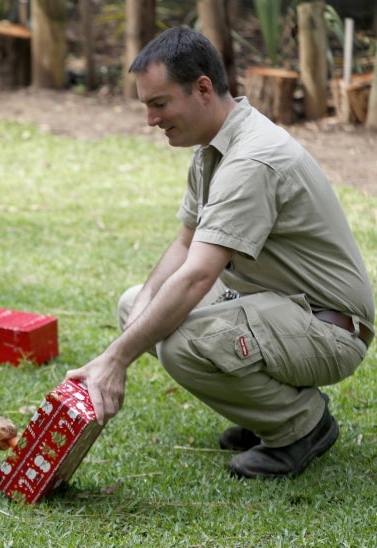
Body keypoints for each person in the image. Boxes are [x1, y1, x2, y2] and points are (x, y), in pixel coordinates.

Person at [65, 26, 374, 479]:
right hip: (276, 305)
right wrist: (138, 319)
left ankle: (301, 425)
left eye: (159, 103)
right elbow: (185, 243)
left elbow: (197, 277)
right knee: (137, 306)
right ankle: (265, 407)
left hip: (328, 328)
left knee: (182, 344)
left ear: (203, 88)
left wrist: (115, 360)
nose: (150, 119)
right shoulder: (213, 148)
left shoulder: (252, 160)